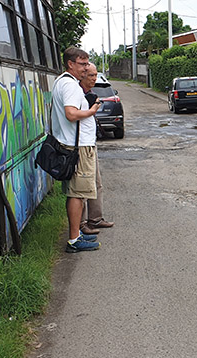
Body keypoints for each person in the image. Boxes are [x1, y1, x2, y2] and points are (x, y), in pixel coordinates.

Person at [52, 47, 101, 253]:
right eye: (82, 64)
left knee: (77, 193)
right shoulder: (70, 85)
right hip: (79, 147)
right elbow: (71, 114)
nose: (85, 68)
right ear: (70, 64)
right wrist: (92, 111)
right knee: (77, 194)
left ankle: (76, 236)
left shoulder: (62, 82)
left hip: (76, 145)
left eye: (86, 63)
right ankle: (74, 239)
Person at [77, 63, 114, 235]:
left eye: (95, 75)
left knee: (96, 183)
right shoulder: (76, 94)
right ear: (82, 75)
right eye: (91, 75)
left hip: (91, 143)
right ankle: (82, 223)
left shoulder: (90, 94)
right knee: (82, 186)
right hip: (81, 145)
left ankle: (96, 218)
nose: (94, 79)